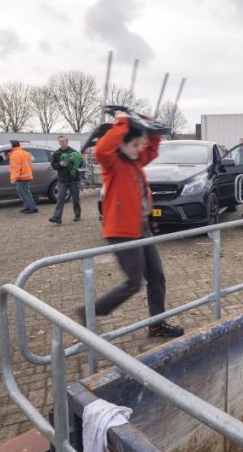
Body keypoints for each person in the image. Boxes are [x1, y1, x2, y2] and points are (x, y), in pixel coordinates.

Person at [75, 115, 184, 338]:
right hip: (122, 232)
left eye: (139, 145)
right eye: (134, 145)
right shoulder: (112, 163)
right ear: (121, 144)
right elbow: (103, 148)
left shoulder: (134, 160)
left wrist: (153, 131)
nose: (138, 149)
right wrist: (124, 122)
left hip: (141, 227)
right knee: (134, 283)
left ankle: (156, 324)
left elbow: (152, 151)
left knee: (157, 278)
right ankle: (89, 312)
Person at [49, 136, 82, 224]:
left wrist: (74, 162)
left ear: (67, 142)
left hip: (73, 178)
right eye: (61, 141)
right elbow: (53, 165)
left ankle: (77, 215)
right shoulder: (56, 153)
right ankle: (57, 217)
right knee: (60, 198)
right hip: (62, 179)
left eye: (64, 141)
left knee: (75, 198)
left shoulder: (74, 152)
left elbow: (80, 164)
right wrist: (60, 164)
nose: (62, 143)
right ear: (59, 143)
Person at [8, 140, 37, 213]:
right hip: (26, 176)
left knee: (24, 193)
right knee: (24, 192)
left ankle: (32, 208)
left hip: (21, 177)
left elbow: (16, 168)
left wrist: (13, 178)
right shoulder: (25, 153)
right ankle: (28, 206)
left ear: (12, 146)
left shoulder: (15, 154)